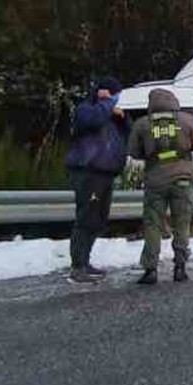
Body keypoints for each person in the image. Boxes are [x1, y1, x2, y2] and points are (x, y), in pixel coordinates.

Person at [128, 88, 193, 284]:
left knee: (152, 224)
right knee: (182, 224)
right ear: (173, 101)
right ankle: (180, 268)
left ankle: (150, 270)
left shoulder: (142, 124)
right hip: (182, 180)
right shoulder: (187, 120)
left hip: (155, 180)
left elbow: (134, 152)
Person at [64, 76, 131, 284]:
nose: (117, 99)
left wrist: (122, 119)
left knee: (99, 220)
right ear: (105, 93)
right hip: (88, 173)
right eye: (115, 95)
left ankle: (85, 261)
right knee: (86, 218)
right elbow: (92, 120)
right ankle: (77, 267)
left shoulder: (109, 114)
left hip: (106, 174)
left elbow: (128, 134)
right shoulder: (87, 109)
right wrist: (106, 103)